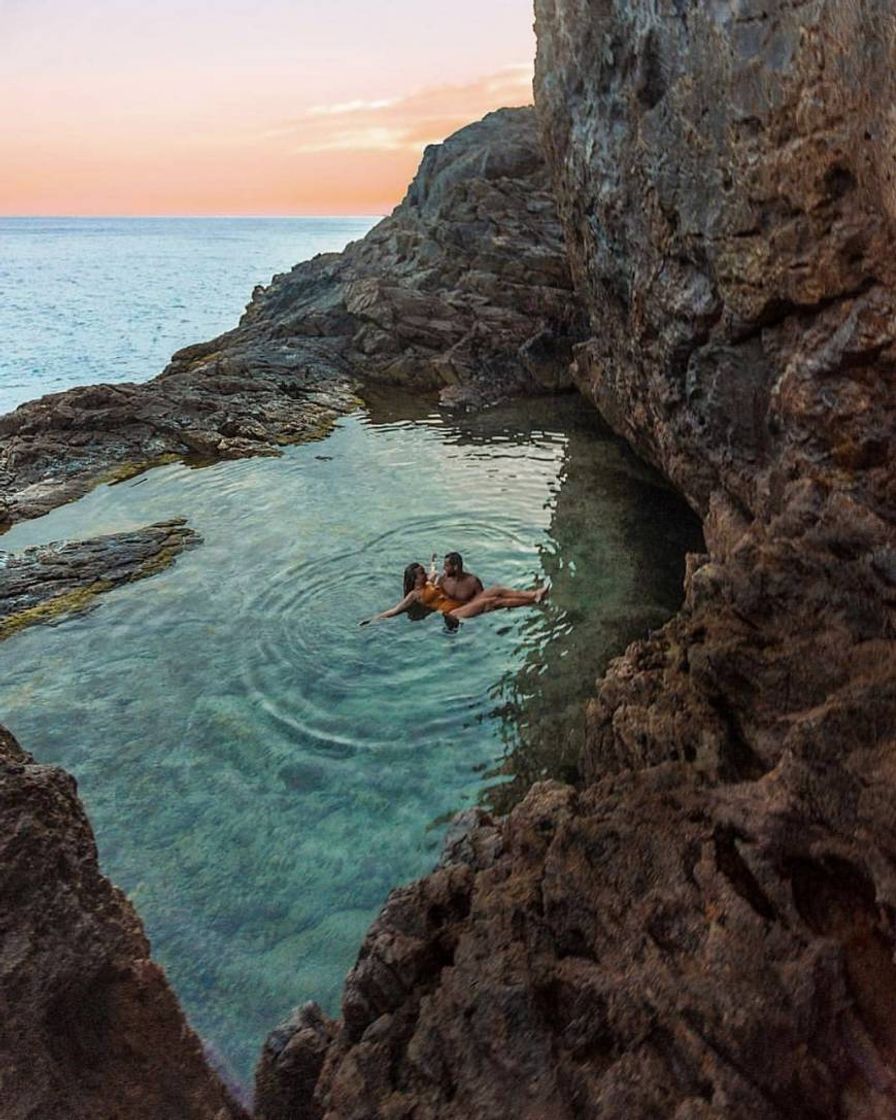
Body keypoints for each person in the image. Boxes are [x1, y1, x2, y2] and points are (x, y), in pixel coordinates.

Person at [359, 551, 548, 627]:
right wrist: (373, 619)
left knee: (496, 589)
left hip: (459, 604)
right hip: (453, 612)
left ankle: (534, 593)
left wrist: (432, 562)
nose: (426, 574)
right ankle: (532, 601)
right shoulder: (414, 595)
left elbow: (433, 570)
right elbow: (395, 610)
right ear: (415, 579)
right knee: (493, 602)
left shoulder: (429, 581)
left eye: (424, 572)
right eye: (422, 573)